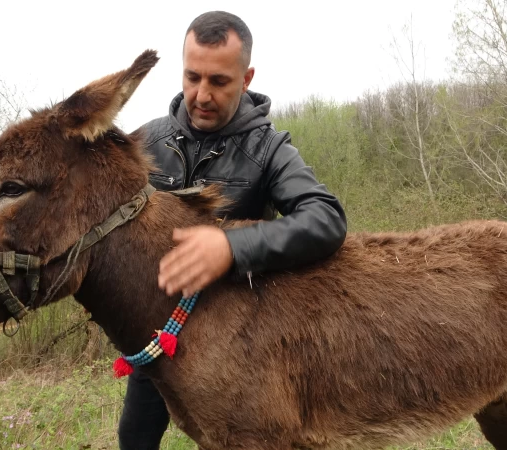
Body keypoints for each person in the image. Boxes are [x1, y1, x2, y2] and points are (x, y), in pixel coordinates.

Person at [118, 10, 348, 449]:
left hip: (234, 345)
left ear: (246, 78)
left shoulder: (269, 149)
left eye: (219, 82)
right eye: (192, 77)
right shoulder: (145, 142)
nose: (201, 95)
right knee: (134, 438)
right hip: (157, 335)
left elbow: (326, 218)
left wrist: (231, 246)